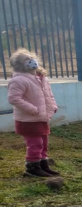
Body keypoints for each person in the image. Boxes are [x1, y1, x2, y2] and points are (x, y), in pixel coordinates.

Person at [7, 48, 59, 177]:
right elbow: (14, 98)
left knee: (44, 143)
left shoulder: (41, 78)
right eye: (26, 59)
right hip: (28, 119)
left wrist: (53, 106)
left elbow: (49, 95)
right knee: (35, 144)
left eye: (31, 57)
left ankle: (43, 165)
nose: (31, 61)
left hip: (41, 118)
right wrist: (33, 109)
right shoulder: (19, 80)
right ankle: (32, 167)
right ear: (19, 64)